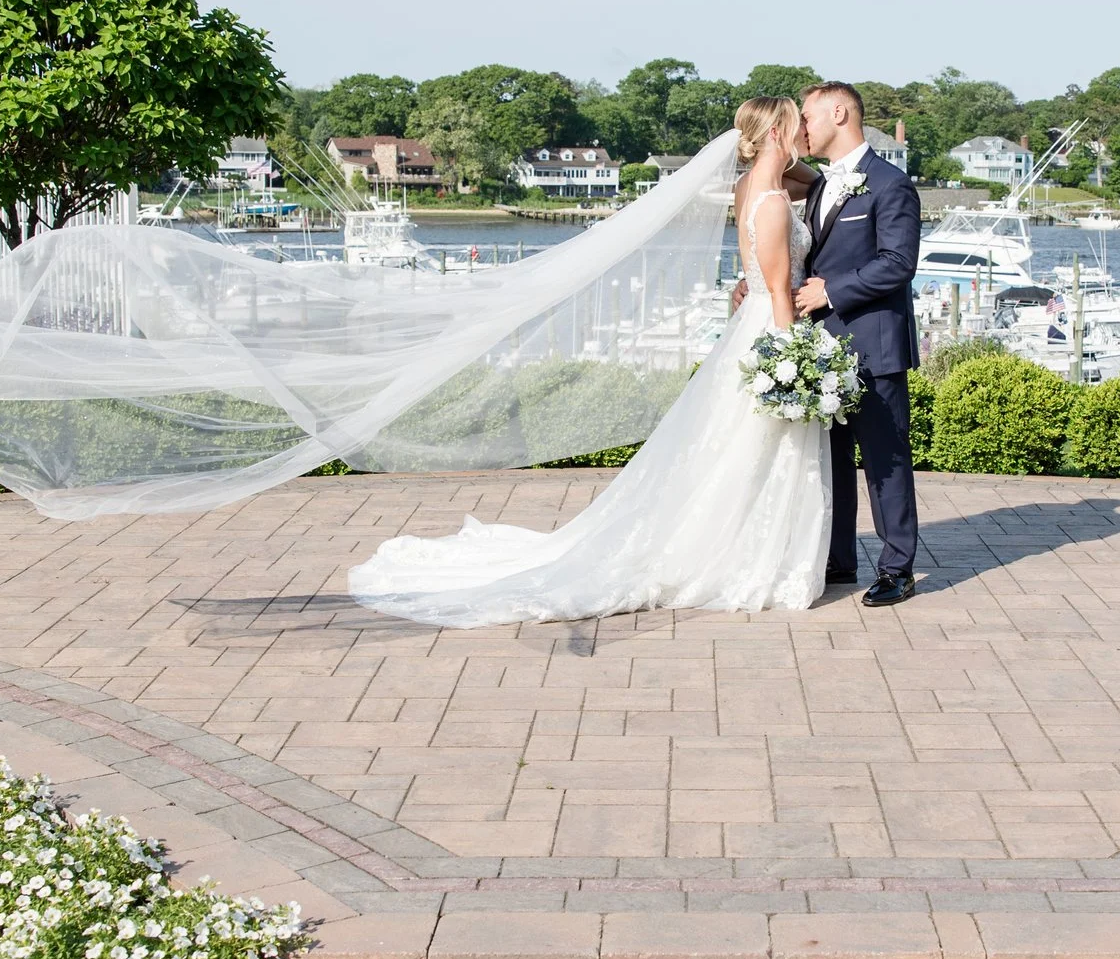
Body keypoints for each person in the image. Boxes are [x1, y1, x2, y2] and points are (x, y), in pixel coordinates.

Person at [343, 98, 831, 626]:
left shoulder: (750, 188)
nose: (805, 130)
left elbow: (802, 184)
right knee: (758, 446)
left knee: (733, 448)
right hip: (772, 327)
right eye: (796, 123)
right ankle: (746, 555)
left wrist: (780, 150)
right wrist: (795, 362)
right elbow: (782, 291)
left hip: (746, 326)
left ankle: (735, 544)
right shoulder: (778, 202)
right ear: (780, 130)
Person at [792, 81, 922, 606]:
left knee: (885, 460)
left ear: (839, 112)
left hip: (874, 345)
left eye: (807, 117)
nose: (802, 127)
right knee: (833, 461)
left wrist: (833, 290)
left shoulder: (891, 185)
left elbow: (898, 263)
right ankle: (839, 558)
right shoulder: (821, 185)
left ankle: (898, 567)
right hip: (824, 347)